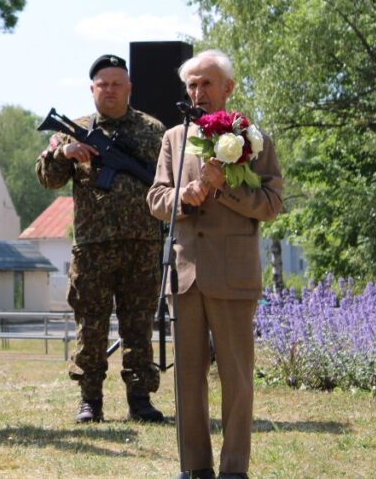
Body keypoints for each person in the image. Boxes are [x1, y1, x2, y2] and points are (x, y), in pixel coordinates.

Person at [146, 50, 283, 479]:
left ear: (228, 87)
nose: (198, 92)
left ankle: (234, 470)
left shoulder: (253, 138)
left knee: (237, 380)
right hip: (184, 276)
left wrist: (226, 191)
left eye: (206, 84)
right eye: (192, 85)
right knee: (187, 382)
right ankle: (195, 469)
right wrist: (182, 198)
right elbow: (156, 199)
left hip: (233, 275)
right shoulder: (173, 138)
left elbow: (272, 204)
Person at [35, 54, 167, 425]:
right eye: (102, 84)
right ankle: (89, 400)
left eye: (116, 83)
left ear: (129, 88)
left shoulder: (152, 130)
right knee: (90, 327)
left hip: (142, 244)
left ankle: (140, 399)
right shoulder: (72, 129)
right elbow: (48, 178)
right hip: (92, 247)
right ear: (92, 88)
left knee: (138, 325)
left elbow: (165, 177)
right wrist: (63, 152)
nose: (109, 90)